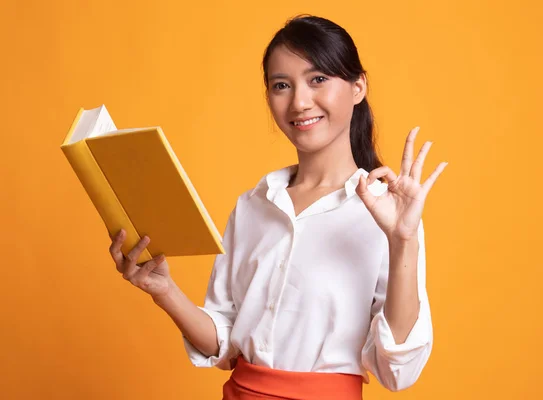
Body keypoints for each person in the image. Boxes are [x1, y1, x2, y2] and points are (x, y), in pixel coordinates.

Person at [109, 14, 448, 400]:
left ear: (358, 87)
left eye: (318, 79)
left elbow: (398, 372)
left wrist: (402, 240)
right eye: (281, 85)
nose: (300, 102)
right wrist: (164, 289)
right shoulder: (253, 206)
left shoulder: (388, 217)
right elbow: (223, 342)